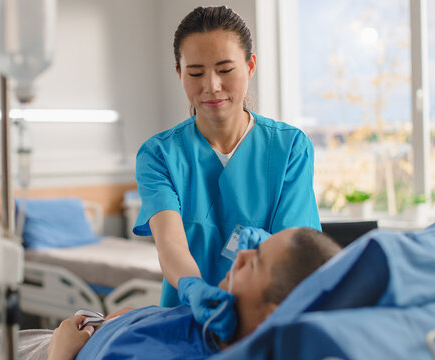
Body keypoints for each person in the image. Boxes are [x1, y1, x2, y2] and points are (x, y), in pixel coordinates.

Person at [132, 5, 321, 341]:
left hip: (265, 321)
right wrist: (193, 288)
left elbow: (291, 251)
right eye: (195, 73)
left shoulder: (290, 147)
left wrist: (264, 247)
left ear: (250, 65)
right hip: (187, 320)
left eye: (224, 69)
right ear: (178, 72)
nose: (212, 86)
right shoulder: (159, 155)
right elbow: (170, 243)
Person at [49, 228, 341, 360]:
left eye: (253, 261)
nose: (238, 256)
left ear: (273, 319)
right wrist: (137, 319)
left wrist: (60, 353)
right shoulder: (216, 325)